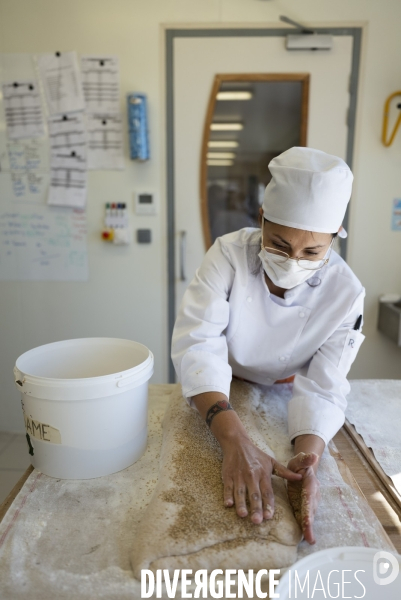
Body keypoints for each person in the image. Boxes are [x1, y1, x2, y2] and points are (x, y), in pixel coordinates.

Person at [171, 147, 365, 544]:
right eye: (278, 244)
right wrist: (235, 441)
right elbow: (198, 343)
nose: (293, 261)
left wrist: (308, 459)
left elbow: (324, 386)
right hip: (218, 388)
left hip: (285, 392)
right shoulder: (228, 255)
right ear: (260, 218)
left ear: (335, 238)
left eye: (312, 252)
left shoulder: (345, 293)